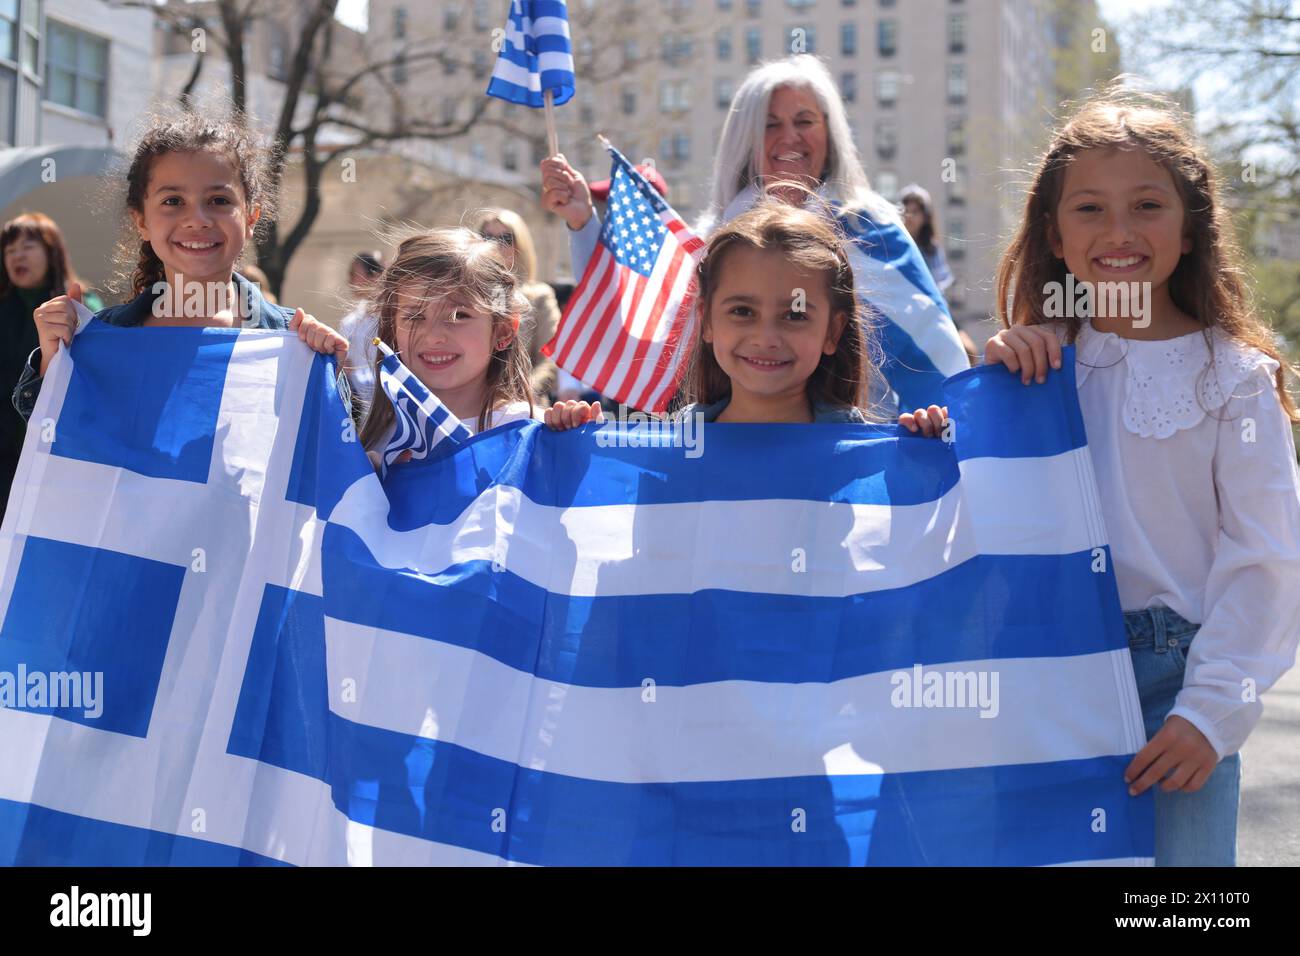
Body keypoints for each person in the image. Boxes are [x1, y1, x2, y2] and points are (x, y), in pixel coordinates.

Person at [981, 90, 1300, 865]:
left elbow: (1266, 561)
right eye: (1089, 209)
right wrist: (959, 418)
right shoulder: (1031, 370)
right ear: (1054, 234)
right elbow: (977, 529)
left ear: (1190, 228)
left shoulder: (1234, 380)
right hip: (1044, 680)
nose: (1118, 232)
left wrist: (1211, 711)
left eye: (1147, 205)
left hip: (1180, 687)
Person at [540, 54, 967, 415]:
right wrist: (582, 223)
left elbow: (932, 359)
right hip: (726, 457)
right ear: (745, 138)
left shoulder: (866, 226)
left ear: (830, 134)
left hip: (844, 458)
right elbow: (637, 322)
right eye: (770, 124)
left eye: (805, 121)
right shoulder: (714, 237)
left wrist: (935, 451)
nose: (790, 137)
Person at [13, 114, 347, 423]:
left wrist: (329, 377)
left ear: (250, 217)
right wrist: (55, 364)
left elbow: (328, 459)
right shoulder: (100, 339)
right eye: (173, 201)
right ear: (141, 220)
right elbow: (58, 445)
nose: (197, 220)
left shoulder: (294, 341)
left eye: (219, 200)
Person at [548, 202, 891, 429]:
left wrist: (932, 450)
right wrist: (573, 448)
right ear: (707, 322)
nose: (766, 338)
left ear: (832, 332)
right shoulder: (672, 447)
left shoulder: (874, 456)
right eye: (742, 311)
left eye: (795, 315)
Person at [358, 229, 541, 468]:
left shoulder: (531, 432)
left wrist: (575, 444)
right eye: (414, 316)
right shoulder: (381, 437)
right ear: (393, 328)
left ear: (503, 331)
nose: (434, 336)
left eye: (458, 315)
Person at [1, 213, 102, 518]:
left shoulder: (80, 307)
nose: (17, 255)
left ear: (52, 252)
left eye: (28, 246)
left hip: (58, 455)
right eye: (9, 250)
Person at [466, 209, 561, 401]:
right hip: (470, 405)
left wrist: (522, 394)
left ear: (519, 245)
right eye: (487, 237)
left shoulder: (539, 296)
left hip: (523, 407)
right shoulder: (467, 294)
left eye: (506, 238)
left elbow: (551, 359)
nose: (495, 245)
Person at [338, 251, 384, 407]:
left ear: (375, 276)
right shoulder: (349, 322)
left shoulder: (393, 318)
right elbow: (345, 364)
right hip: (358, 406)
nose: (350, 281)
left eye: (354, 274)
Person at [898, 184, 954, 293]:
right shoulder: (893, 246)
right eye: (905, 211)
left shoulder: (932, 250)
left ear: (925, 217)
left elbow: (940, 283)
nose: (909, 216)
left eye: (915, 212)